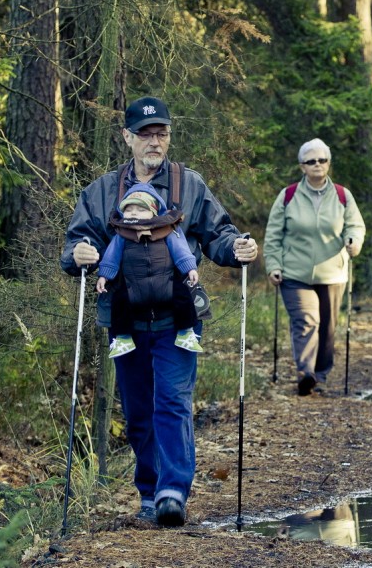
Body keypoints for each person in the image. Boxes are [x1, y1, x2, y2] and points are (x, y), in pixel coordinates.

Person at [60, 96, 258, 526]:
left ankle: (172, 492)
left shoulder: (190, 185)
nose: (155, 141)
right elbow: (76, 245)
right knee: (137, 414)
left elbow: (218, 235)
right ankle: (149, 490)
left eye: (161, 133)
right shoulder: (101, 192)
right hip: (125, 321)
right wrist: (78, 253)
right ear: (127, 137)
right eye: (146, 134)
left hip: (177, 317)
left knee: (171, 401)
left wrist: (237, 247)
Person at [263, 138, 365, 396]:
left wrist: (353, 241)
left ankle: (320, 374)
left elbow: (355, 225)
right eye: (311, 161)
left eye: (322, 160)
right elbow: (273, 234)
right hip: (295, 273)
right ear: (302, 166)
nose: (317, 165)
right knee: (307, 321)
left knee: (328, 326)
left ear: (328, 163)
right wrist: (273, 265)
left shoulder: (342, 195)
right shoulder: (288, 196)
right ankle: (305, 373)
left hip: (333, 272)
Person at [96, 183, 204, 357]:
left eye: (140, 209)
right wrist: (104, 276)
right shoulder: (122, 234)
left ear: (154, 211)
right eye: (129, 209)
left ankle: (185, 333)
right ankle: (123, 338)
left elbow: (181, 250)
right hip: (134, 287)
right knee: (119, 301)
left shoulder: (167, 230)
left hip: (165, 285)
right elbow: (111, 256)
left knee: (183, 296)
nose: (133, 213)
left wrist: (189, 268)